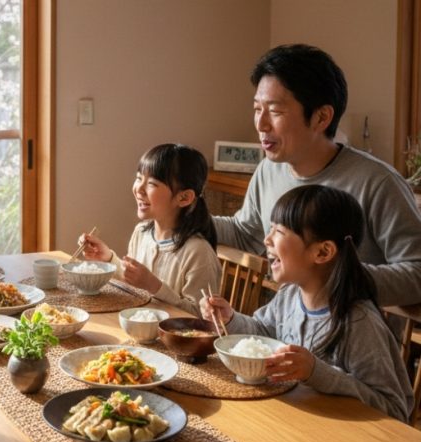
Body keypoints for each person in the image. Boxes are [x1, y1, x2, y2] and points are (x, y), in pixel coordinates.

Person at [214, 44, 421, 307]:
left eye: (275, 111)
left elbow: (417, 271)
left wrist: (331, 280)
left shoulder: (377, 182)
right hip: (283, 329)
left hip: (349, 339)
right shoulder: (269, 168)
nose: (261, 124)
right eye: (257, 109)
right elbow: (245, 233)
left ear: (322, 117)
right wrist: (180, 217)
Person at [202, 185, 413, 422]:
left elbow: (394, 410)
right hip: (293, 420)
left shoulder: (357, 321)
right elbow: (262, 332)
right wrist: (230, 318)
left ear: (323, 252)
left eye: (278, 231)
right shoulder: (290, 295)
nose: (267, 239)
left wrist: (316, 372)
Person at [80, 143, 221, 316]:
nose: (139, 188)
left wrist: (154, 286)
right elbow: (133, 284)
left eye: (152, 183)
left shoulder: (198, 252)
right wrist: (108, 258)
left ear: (184, 197)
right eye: (139, 178)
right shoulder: (142, 233)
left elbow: (202, 318)